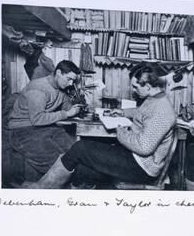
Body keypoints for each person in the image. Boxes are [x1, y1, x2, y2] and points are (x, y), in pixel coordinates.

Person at [28, 62, 177, 189]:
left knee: (81, 147)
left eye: (136, 87)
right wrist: (121, 113)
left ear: (149, 86)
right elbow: (142, 113)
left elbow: (144, 148)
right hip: (133, 157)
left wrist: (120, 130)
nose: (133, 90)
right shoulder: (155, 98)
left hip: (141, 167)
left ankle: (40, 189)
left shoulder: (162, 110)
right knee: (82, 167)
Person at [7, 60, 82, 182]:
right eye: (69, 79)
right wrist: (66, 114)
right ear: (58, 73)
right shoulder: (38, 88)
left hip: (44, 128)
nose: (71, 83)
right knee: (57, 164)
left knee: (74, 153)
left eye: (73, 80)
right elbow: (37, 119)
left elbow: (65, 105)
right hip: (22, 130)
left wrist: (74, 107)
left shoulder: (60, 88)